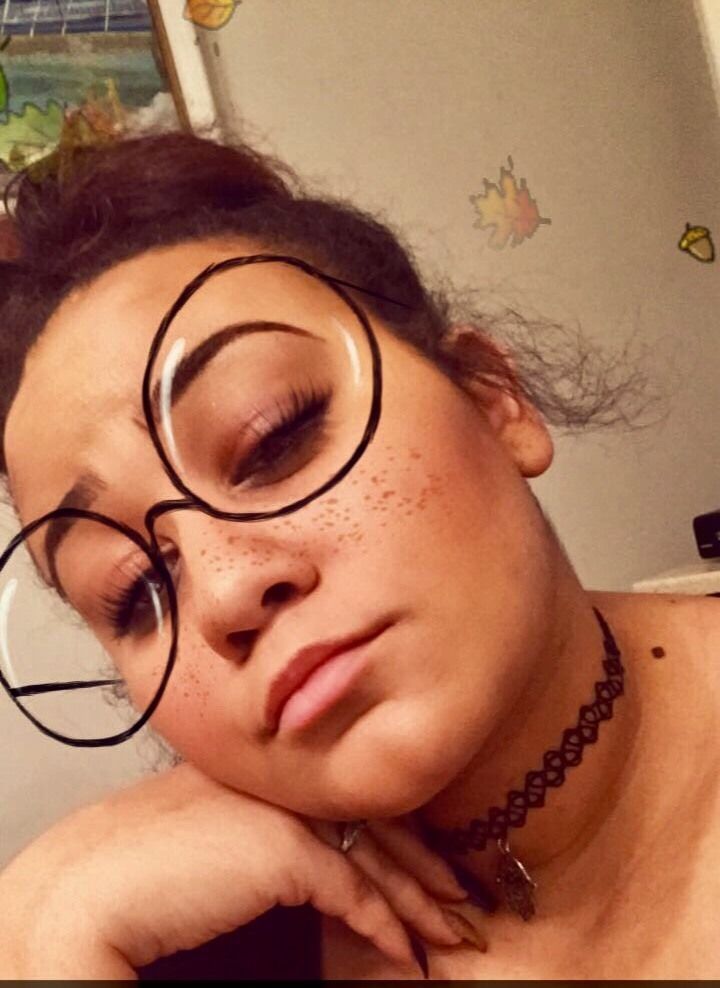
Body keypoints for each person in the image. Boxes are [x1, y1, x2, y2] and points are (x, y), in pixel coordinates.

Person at [0, 129, 717, 981]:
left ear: (492, 398)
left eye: (274, 438)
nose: (224, 593)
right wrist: (37, 933)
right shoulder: (168, 945)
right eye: (135, 593)